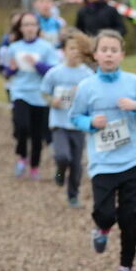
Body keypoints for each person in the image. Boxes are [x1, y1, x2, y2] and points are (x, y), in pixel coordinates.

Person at [70, 29, 136, 271]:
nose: (109, 54)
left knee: (130, 216)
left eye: (114, 50)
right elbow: (75, 117)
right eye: (104, 50)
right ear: (96, 54)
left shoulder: (134, 83)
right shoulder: (87, 87)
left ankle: (126, 266)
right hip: (102, 162)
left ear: (122, 54)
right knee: (106, 213)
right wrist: (90, 122)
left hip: (132, 159)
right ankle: (102, 228)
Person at [41, 29, 94, 208]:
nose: (75, 52)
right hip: (59, 123)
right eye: (71, 48)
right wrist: (52, 102)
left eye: (79, 48)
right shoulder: (55, 73)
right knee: (63, 156)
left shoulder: (87, 74)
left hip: (79, 125)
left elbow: (94, 96)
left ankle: (73, 195)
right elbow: (44, 92)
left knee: (77, 163)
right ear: (63, 50)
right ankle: (59, 174)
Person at [4, 12, 59, 180]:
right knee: (22, 126)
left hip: (40, 95)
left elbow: (53, 72)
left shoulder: (46, 47)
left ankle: (34, 167)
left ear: (37, 27)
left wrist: (37, 64)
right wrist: (11, 69)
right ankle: (22, 156)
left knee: (37, 134)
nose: (29, 28)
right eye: (26, 24)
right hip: (20, 91)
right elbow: (6, 73)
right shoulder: (14, 47)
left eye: (33, 24)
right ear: (20, 28)